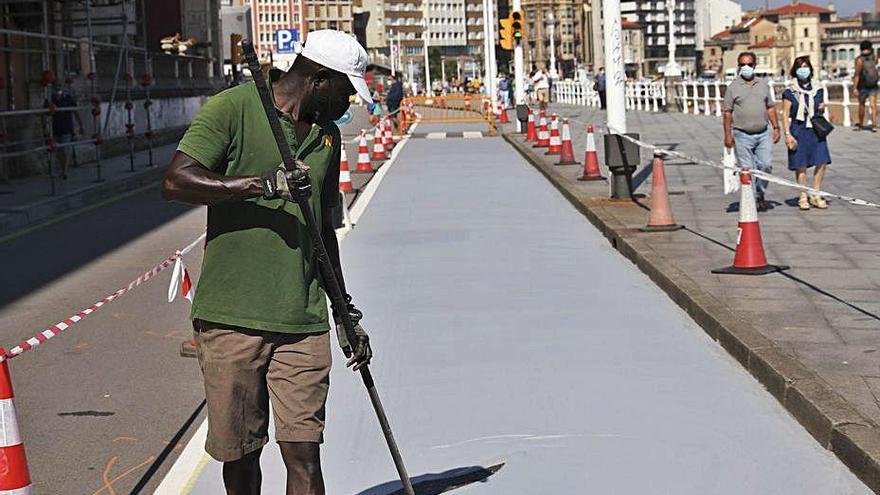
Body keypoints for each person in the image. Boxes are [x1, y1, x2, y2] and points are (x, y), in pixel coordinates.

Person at [161, 30, 373, 495]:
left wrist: (345, 313)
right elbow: (176, 181)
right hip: (231, 318)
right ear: (320, 78)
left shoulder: (326, 137)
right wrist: (262, 186)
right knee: (241, 457)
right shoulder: (233, 109)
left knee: (305, 456)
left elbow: (323, 232)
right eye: (346, 91)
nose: (348, 104)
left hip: (302, 319)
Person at [722, 51, 780, 212]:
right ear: (738, 66)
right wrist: (727, 135)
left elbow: (770, 107)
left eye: (749, 64)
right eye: (742, 64)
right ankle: (752, 200)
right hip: (742, 134)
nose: (746, 67)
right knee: (746, 169)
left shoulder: (763, 84)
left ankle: (760, 192)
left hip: (763, 133)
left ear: (754, 66)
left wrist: (776, 127)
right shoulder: (733, 87)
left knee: (766, 165)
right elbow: (727, 112)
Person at [782, 56, 831, 210]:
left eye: (805, 66)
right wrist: (787, 134)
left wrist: (822, 107)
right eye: (800, 67)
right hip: (798, 129)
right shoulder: (790, 91)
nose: (803, 70)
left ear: (810, 69)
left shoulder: (818, 88)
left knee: (822, 161)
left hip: (816, 129)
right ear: (795, 71)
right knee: (800, 164)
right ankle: (803, 195)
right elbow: (785, 114)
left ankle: (816, 193)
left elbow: (819, 108)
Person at [51, 85, 84, 180]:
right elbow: (46, 113)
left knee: (66, 149)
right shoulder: (51, 99)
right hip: (55, 128)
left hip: (67, 128)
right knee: (57, 150)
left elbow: (75, 111)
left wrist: (81, 125)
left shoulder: (68, 99)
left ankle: (64, 171)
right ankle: (63, 169)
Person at [853, 40, 879, 132]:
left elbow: (857, 74)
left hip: (862, 85)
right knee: (873, 105)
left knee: (862, 105)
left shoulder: (859, 60)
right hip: (873, 84)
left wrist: (855, 87)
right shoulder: (874, 57)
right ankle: (874, 125)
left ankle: (860, 124)